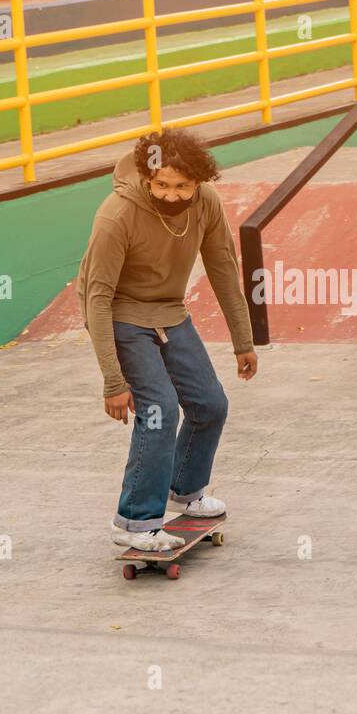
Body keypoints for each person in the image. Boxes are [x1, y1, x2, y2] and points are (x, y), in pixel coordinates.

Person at [78, 129, 256, 553]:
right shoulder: (116, 214)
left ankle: (186, 490)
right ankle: (135, 520)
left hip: (169, 313)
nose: (171, 196)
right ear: (147, 176)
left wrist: (242, 340)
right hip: (119, 313)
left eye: (182, 187)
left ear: (199, 182)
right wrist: (113, 381)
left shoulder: (207, 203)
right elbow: (96, 298)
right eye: (161, 185)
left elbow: (223, 269)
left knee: (210, 404)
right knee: (159, 410)